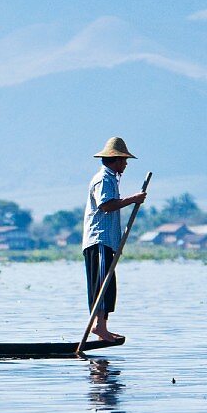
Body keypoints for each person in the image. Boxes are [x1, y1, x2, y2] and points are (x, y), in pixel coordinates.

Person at [81, 137, 146, 343]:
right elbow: (105, 205)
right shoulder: (104, 179)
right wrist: (133, 199)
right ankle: (99, 327)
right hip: (99, 240)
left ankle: (102, 327)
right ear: (115, 160)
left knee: (108, 286)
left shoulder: (112, 179)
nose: (125, 164)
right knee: (101, 284)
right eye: (124, 160)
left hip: (107, 241)